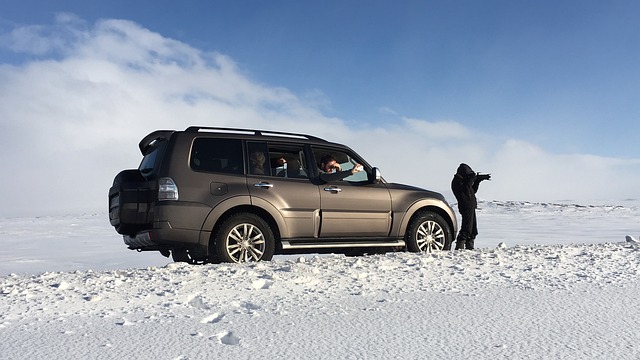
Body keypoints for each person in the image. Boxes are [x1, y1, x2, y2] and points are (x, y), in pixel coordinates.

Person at [450, 163, 491, 250]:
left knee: (473, 229)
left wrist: (478, 181)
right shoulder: (456, 182)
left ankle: (470, 246)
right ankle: (459, 247)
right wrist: (472, 178)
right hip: (465, 206)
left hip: (470, 206)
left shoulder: (463, 181)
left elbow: (472, 191)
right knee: (466, 228)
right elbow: (466, 189)